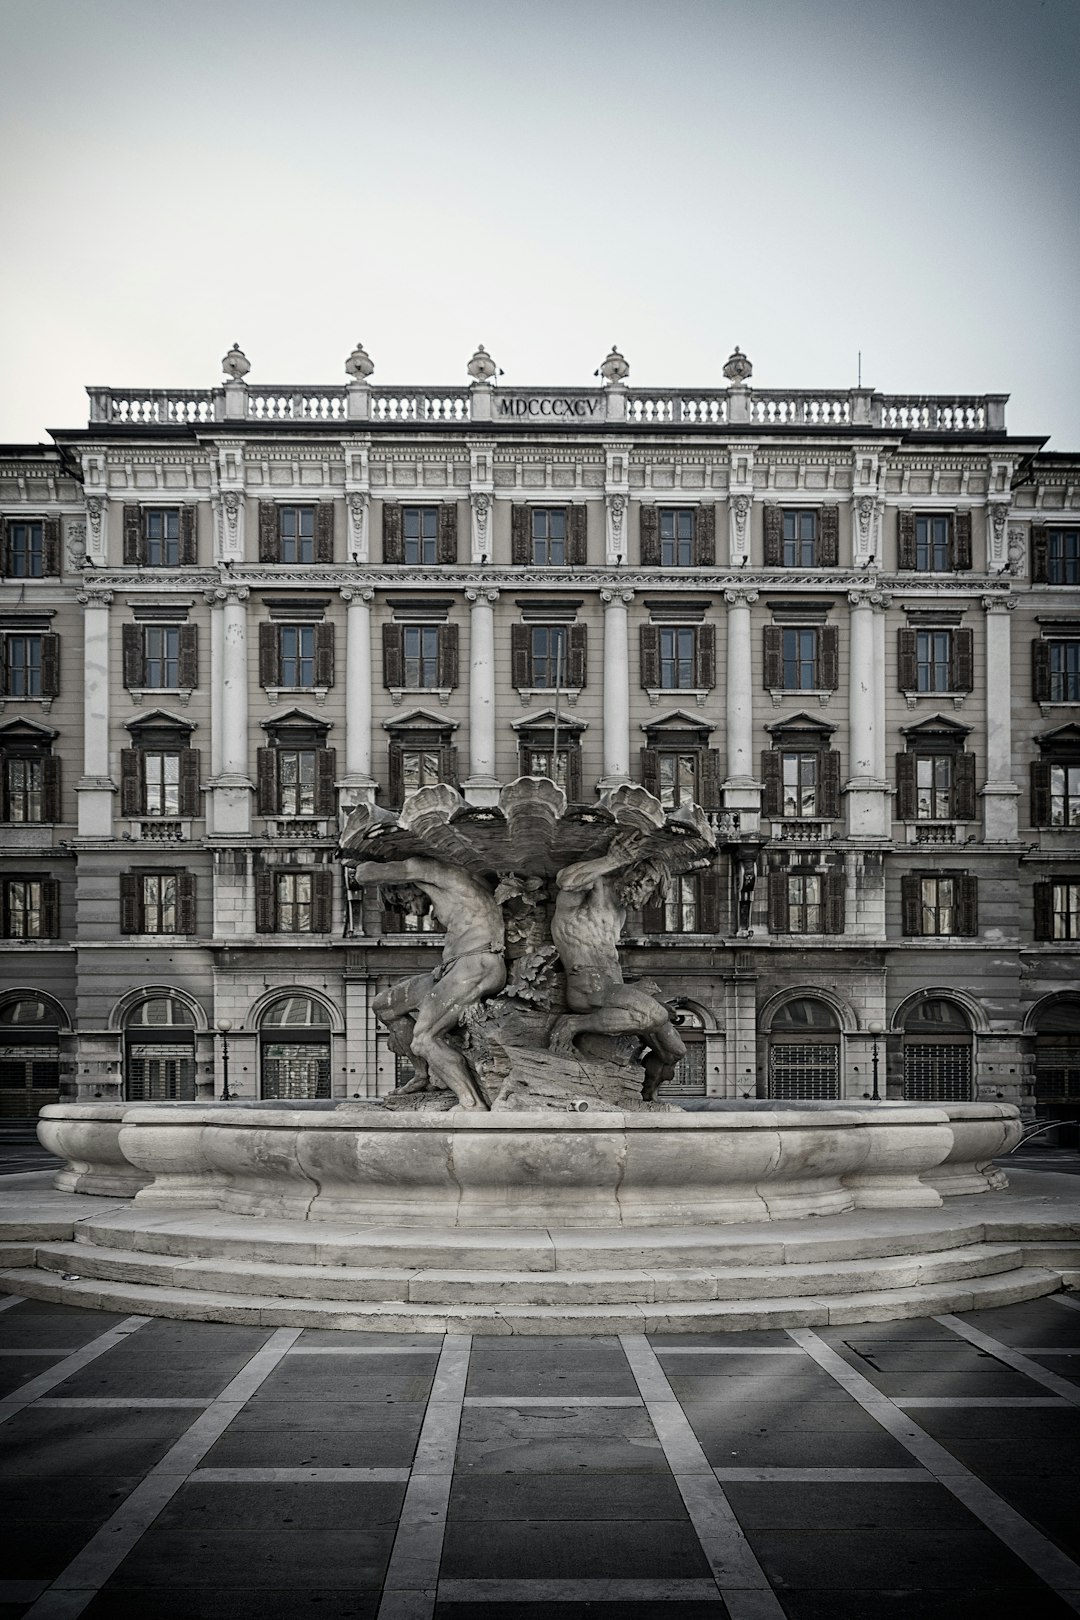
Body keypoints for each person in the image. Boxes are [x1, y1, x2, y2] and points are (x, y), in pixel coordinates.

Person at [347, 856, 505, 1109]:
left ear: (406, 884)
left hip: (476, 965)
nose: (407, 908)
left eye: (400, 899)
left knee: (424, 1039)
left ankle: (472, 1105)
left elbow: (366, 873)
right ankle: (423, 1073)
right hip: (453, 967)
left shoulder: (440, 871)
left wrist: (354, 860)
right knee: (384, 1005)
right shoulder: (452, 887)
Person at [549, 835, 686, 1101]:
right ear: (634, 873)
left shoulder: (618, 912)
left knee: (674, 1051)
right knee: (655, 1016)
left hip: (613, 990)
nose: (646, 895)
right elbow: (564, 880)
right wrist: (612, 860)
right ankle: (572, 1025)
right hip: (588, 989)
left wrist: (637, 994)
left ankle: (644, 1099)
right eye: (649, 883)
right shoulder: (589, 893)